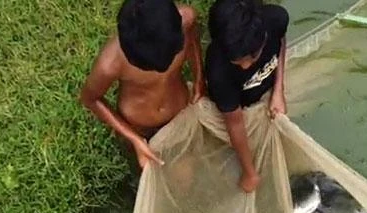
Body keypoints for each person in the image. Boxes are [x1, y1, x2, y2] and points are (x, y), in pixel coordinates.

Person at [80, 0, 205, 169]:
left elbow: (193, 43)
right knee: (150, 168)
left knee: (187, 168)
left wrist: (199, 79)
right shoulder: (111, 63)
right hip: (139, 126)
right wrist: (134, 138)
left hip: (179, 110)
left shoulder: (186, 21)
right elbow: (90, 99)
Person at [205, 0, 289, 193]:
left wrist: (278, 91)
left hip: (266, 90)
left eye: (251, 58)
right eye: (237, 62)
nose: (245, 66)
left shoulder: (276, 18)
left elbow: (282, 40)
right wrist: (250, 172)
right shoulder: (218, 69)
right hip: (238, 106)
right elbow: (234, 122)